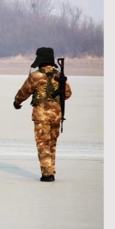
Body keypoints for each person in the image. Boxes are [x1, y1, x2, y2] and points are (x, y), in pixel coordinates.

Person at [13, 47, 72, 182]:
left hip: (41, 116)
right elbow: (67, 94)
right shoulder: (59, 75)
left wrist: (17, 102)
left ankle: (47, 173)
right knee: (52, 143)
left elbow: (24, 92)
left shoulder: (35, 76)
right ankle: (51, 169)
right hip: (57, 114)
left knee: (43, 144)